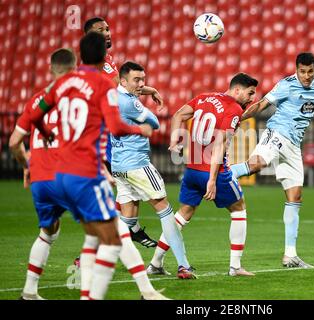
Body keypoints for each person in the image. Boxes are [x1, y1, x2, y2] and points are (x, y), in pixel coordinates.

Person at [29, 32, 155, 300]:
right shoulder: (101, 85)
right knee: (112, 239)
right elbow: (117, 127)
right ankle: (100, 297)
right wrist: (142, 130)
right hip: (85, 173)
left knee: (97, 235)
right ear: (103, 56)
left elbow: (35, 114)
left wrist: (45, 132)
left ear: (80, 56)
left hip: (59, 173)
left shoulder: (62, 85)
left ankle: (144, 291)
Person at [230, 52, 314, 268]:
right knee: (257, 164)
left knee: (295, 196)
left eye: (310, 71)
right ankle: (222, 174)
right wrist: (236, 119)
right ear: (296, 69)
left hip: (294, 146)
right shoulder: (286, 85)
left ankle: (290, 255)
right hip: (277, 133)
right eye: (302, 71)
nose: (306, 76)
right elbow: (261, 104)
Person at [149, 73, 259, 277]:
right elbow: (220, 144)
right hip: (213, 171)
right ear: (237, 90)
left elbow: (179, 115)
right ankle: (235, 267)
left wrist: (174, 141)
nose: (251, 98)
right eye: (250, 93)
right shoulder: (233, 108)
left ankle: (155, 263)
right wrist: (212, 180)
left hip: (191, 169)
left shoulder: (204, 98)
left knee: (183, 213)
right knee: (239, 208)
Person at [111, 61, 196, 279]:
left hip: (119, 166)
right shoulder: (129, 103)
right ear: (123, 81)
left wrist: (149, 91)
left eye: (143, 79)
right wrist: (146, 101)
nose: (141, 84)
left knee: (127, 218)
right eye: (136, 80)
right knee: (165, 211)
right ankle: (183, 265)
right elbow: (155, 121)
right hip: (137, 164)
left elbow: (131, 90)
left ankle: (87, 257)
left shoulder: (113, 96)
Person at [83, 16, 163, 248]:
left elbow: (120, 84)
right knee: (110, 194)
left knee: (125, 192)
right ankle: (101, 245)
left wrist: (149, 89)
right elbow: (115, 89)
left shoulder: (107, 60)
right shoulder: (94, 66)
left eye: (108, 28)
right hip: (101, 136)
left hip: (110, 135)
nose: (107, 33)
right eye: (101, 30)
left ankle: (129, 231)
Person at [9, 48, 76, 300]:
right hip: (69, 175)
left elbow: (15, 142)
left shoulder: (37, 100)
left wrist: (27, 165)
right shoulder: (77, 98)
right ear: (75, 69)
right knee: (107, 228)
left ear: (50, 69)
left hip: (40, 178)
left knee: (48, 232)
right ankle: (146, 290)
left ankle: (29, 292)